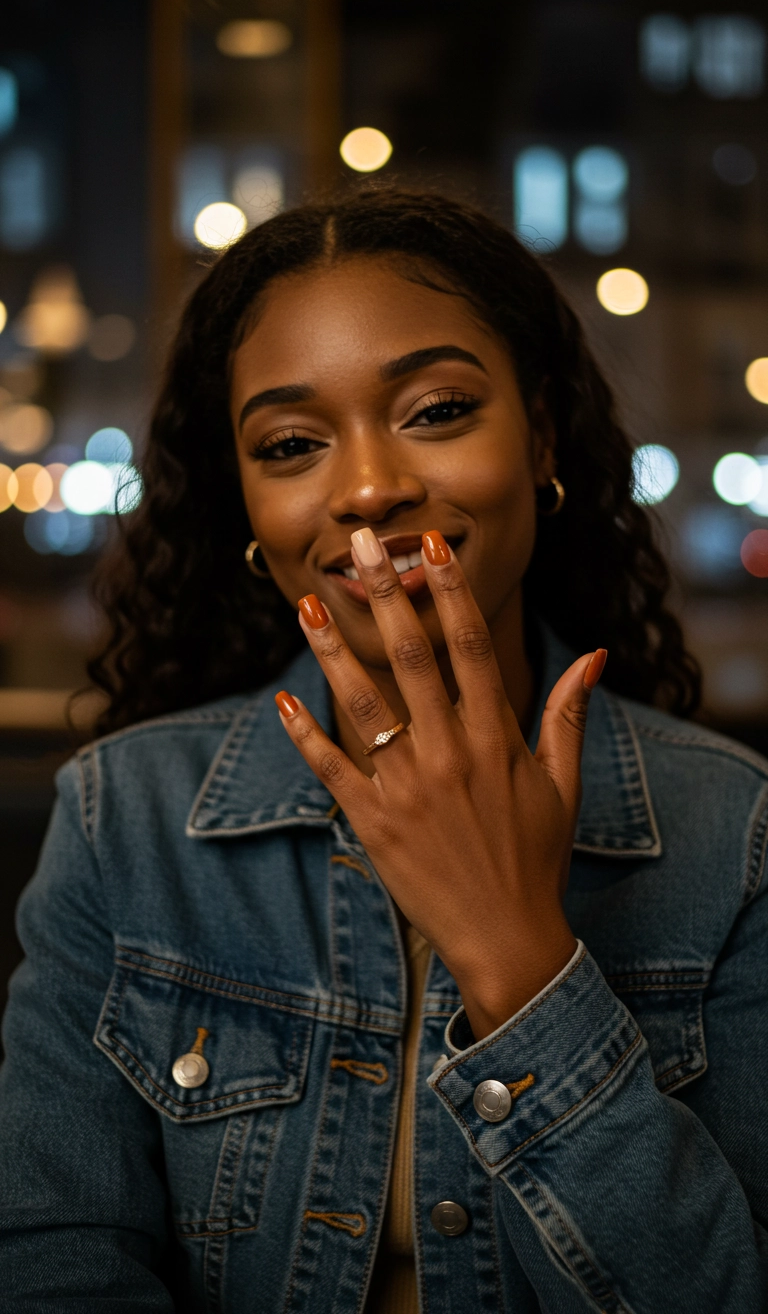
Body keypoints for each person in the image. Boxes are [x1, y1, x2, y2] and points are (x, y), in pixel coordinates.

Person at [1, 188, 767, 1314]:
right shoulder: (121, 819)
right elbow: (52, 1265)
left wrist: (521, 961)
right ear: (246, 505)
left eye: (438, 410)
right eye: (291, 444)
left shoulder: (735, 831)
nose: (368, 489)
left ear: (541, 436)